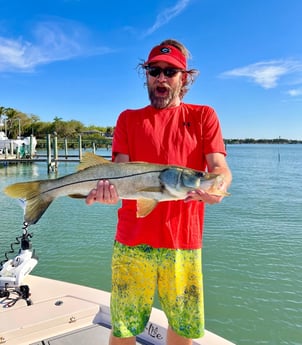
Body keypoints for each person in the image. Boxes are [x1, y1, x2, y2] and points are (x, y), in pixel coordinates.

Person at [86, 39, 232, 345]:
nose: (161, 78)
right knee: (123, 326)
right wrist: (106, 192)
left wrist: (218, 185)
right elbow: (120, 171)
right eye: (154, 71)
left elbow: (218, 166)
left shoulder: (204, 116)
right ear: (147, 75)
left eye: (170, 72)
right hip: (132, 241)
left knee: (183, 327)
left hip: (183, 242)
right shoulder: (128, 118)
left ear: (185, 78)